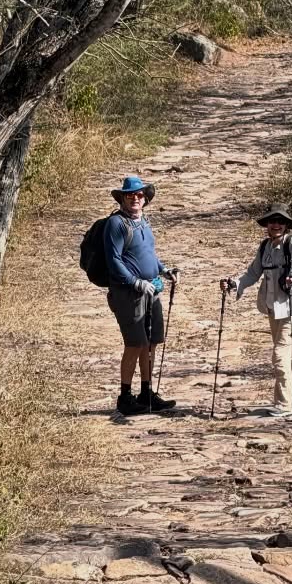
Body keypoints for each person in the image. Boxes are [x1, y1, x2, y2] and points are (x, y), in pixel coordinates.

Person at [222, 205, 292, 417]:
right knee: (290, 349)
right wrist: (234, 284)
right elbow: (252, 273)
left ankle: (285, 404)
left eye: (280, 221)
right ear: (267, 225)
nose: (276, 225)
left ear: (286, 224)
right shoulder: (265, 247)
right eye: (272, 221)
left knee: (280, 353)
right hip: (272, 306)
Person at [104, 174, 178, 416]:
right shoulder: (116, 224)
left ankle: (146, 393)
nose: (135, 199)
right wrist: (136, 283)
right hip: (129, 294)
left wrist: (164, 270)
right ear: (122, 199)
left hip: (151, 289)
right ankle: (125, 397)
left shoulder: (144, 222)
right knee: (134, 344)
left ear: (145, 199)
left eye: (139, 195)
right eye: (130, 195)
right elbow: (113, 260)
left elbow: (148, 254)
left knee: (151, 342)